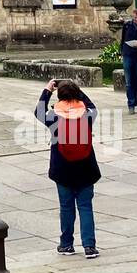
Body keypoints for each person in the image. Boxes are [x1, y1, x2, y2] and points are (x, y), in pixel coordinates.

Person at [35, 78, 101, 258]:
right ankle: (89, 246)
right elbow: (93, 106)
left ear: (59, 95)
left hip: (62, 168)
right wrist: (76, 90)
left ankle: (66, 245)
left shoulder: (53, 115)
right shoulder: (87, 114)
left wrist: (47, 90)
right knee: (85, 206)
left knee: (66, 207)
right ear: (77, 93)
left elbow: (38, 111)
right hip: (86, 167)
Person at [118, 6, 137, 113]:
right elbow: (123, 39)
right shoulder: (127, 25)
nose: (136, 19)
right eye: (135, 17)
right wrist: (121, 51)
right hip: (128, 54)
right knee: (129, 81)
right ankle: (131, 104)